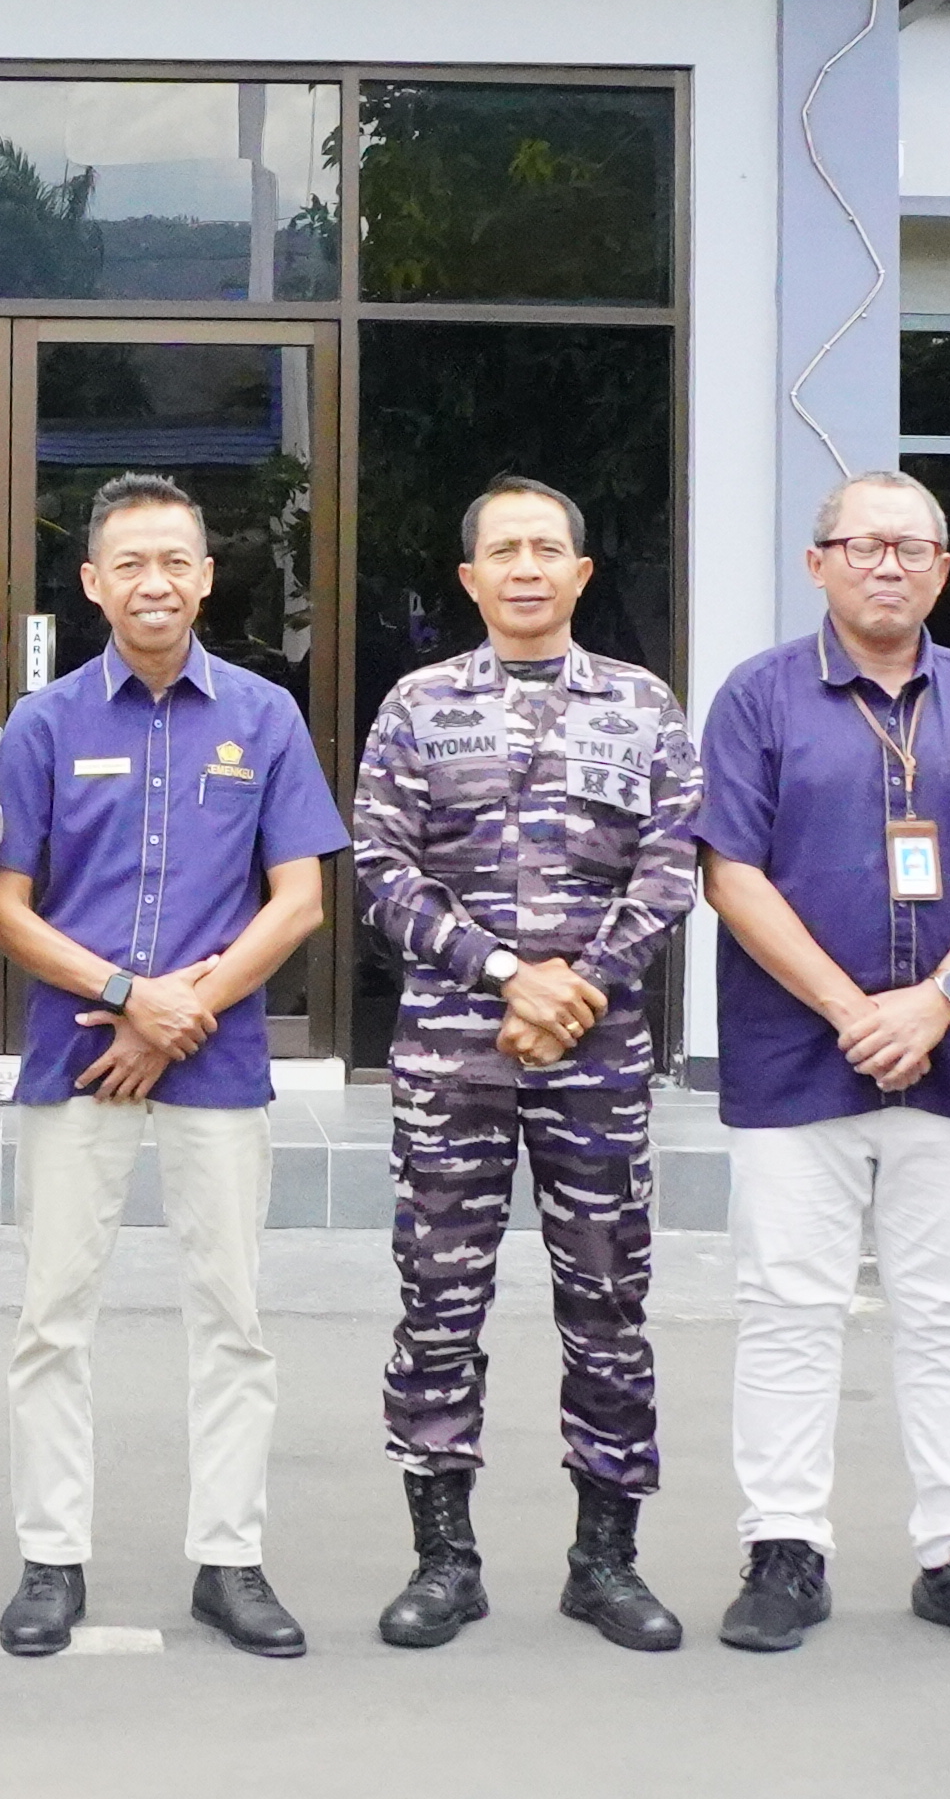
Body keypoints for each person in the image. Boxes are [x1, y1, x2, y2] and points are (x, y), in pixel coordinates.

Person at [689, 472, 950, 1657]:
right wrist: (855, 1008)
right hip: (800, 1052)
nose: (887, 564)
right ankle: (783, 1546)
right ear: (819, 562)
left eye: (911, 546)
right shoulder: (759, 697)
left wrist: (937, 1000)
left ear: (944, 567)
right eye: (863, 544)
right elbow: (730, 871)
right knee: (788, 1308)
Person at [0, 474, 349, 1661]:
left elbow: (300, 898)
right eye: (129, 562)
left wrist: (187, 1005)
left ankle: (229, 1559)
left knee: (233, 1315)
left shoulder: (263, 715)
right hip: (79, 1056)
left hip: (218, 1056)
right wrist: (129, 997)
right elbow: (2, 906)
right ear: (93, 582)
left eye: (175, 560)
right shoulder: (42, 724)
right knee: (53, 1316)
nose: (154, 581)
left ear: (206, 576)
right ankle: (51, 1556)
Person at [349, 477, 702, 1656]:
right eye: (503, 549)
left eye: (547, 548)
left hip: (595, 1055)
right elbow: (383, 867)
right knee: (439, 1301)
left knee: (607, 1302)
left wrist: (579, 985)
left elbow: (672, 867)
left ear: (581, 572)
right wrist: (509, 973)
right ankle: (443, 1558)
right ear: (470, 577)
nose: (527, 567)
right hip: (454, 1053)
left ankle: (606, 1558)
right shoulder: (417, 705)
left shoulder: (643, 705)